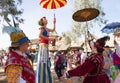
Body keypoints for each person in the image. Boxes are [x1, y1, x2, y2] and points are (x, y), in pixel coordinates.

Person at [36, 15, 56, 83]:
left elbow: (53, 29)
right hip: (43, 46)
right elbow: (39, 35)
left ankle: (45, 79)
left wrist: (54, 22)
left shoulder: (46, 29)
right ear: (42, 22)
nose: (46, 20)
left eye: (46, 19)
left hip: (46, 47)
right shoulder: (42, 28)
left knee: (45, 62)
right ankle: (41, 79)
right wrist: (48, 38)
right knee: (43, 61)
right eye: (44, 19)